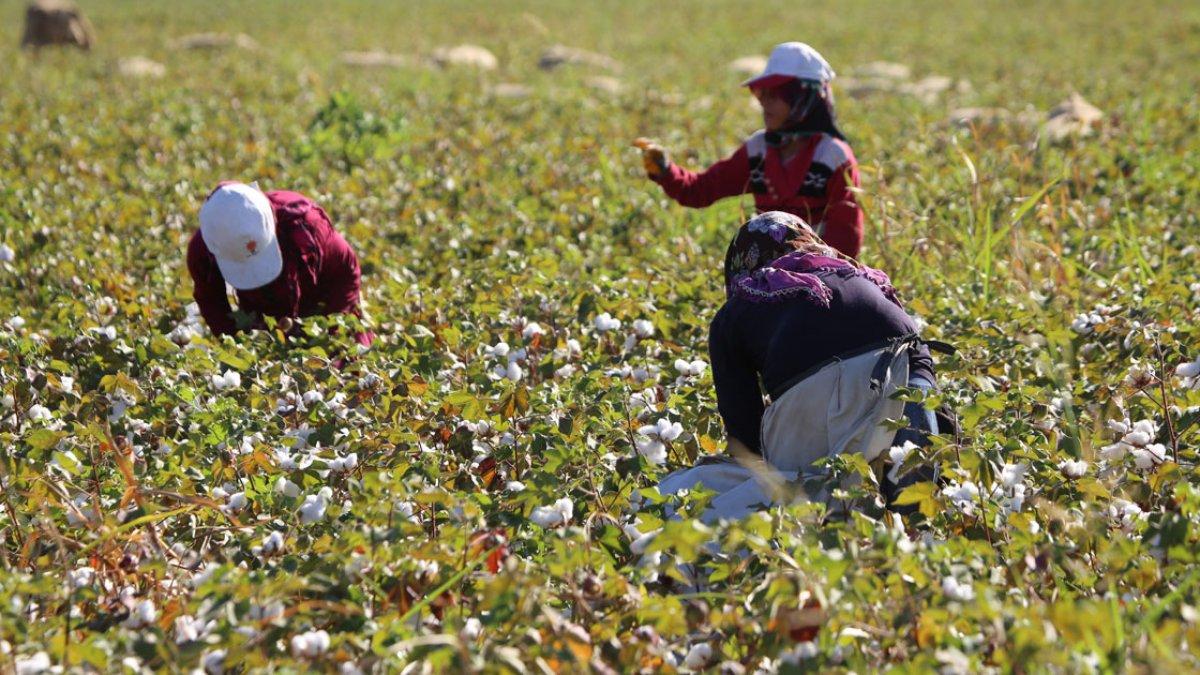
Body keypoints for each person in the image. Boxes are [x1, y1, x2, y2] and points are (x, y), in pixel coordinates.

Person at [657, 212, 942, 521]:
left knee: (811, 514)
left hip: (815, 399)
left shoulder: (740, 307)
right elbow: (924, 375)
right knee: (915, 524)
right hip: (911, 383)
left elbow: (746, 438)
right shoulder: (858, 276)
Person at [634, 42, 864, 258]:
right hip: (767, 275)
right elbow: (701, 190)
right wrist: (666, 171)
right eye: (762, 94)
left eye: (775, 95)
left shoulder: (833, 157)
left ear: (804, 99)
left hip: (821, 278)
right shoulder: (758, 150)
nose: (764, 103)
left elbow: (845, 241)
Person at [186, 182, 372, 346]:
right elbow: (211, 301)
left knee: (345, 355)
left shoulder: (303, 226)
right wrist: (236, 344)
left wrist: (327, 333)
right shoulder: (204, 249)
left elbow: (343, 272)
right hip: (267, 301)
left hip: (325, 287)